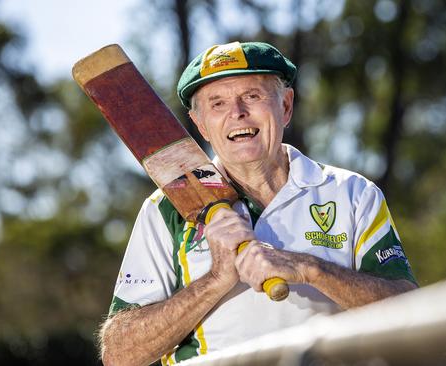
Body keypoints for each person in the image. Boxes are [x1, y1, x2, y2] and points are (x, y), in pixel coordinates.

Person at [99, 41, 417, 366]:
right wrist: (216, 280)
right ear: (200, 125)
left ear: (286, 106)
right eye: (218, 103)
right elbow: (119, 354)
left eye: (252, 96)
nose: (237, 113)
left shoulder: (352, 193)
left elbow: (411, 313)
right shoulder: (164, 210)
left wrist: (310, 269)